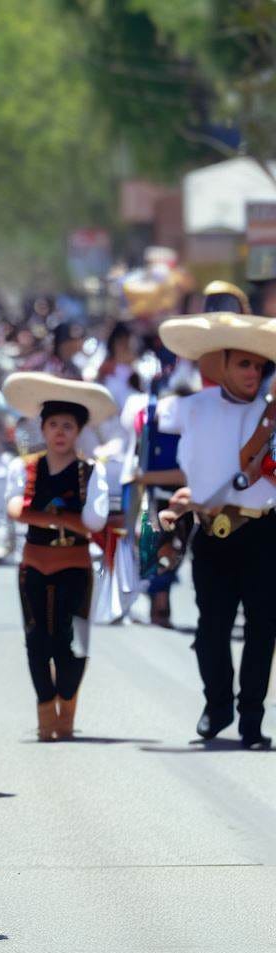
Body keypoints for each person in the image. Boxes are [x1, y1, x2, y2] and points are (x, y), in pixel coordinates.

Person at [156, 309, 276, 749]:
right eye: (243, 363)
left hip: (264, 533)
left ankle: (252, 720)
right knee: (211, 629)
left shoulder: (273, 416)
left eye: (259, 366)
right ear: (220, 365)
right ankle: (218, 704)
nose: (252, 373)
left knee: (263, 629)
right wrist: (175, 498)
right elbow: (148, 448)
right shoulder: (189, 407)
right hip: (210, 532)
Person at [2, 373, 114, 740]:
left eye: (68, 425)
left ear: (79, 431)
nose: (60, 432)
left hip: (76, 569)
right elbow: (15, 508)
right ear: (43, 429)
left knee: (74, 645)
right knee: (37, 641)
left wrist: (48, 517)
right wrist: (67, 520)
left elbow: (95, 520)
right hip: (34, 565)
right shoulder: (24, 467)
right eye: (53, 425)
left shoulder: (91, 472)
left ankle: (68, 705)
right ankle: (45, 712)